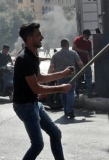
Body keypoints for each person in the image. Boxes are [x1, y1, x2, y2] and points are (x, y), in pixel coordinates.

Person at [13, 23, 73, 160]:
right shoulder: (24, 59)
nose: (42, 37)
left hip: (34, 103)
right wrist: (60, 88)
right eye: (38, 35)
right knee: (37, 144)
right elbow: (36, 88)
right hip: (24, 106)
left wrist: (62, 74)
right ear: (29, 38)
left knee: (55, 134)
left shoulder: (33, 55)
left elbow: (39, 78)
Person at [48, 39, 83, 119]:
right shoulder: (73, 53)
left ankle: (65, 110)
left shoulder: (55, 55)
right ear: (68, 45)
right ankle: (70, 110)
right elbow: (80, 64)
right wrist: (82, 71)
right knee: (70, 92)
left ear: (61, 45)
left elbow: (51, 67)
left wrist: (49, 78)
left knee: (63, 93)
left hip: (60, 77)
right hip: (71, 76)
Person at [72, 29, 94, 96]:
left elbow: (90, 52)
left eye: (89, 36)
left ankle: (90, 92)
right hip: (77, 62)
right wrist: (83, 51)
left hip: (86, 62)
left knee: (89, 77)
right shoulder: (78, 40)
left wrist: (91, 59)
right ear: (84, 35)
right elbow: (74, 48)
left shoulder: (89, 42)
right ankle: (77, 93)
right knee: (77, 78)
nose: (88, 37)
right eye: (87, 36)